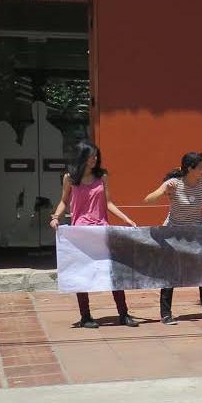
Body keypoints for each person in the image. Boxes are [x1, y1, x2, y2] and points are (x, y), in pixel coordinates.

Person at [50, 141, 139, 329]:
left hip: (101, 230)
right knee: (80, 274)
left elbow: (109, 203)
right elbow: (64, 201)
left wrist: (126, 219)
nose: (95, 159)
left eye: (96, 156)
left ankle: (123, 314)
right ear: (82, 156)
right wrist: (56, 217)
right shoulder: (70, 178)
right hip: (80, 233)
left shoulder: (102, 176)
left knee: (113, 272)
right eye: (91, 156)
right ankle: (85, 316)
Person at [144, 151, 202, 324]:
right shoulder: (174, 183)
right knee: (170, 273)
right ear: (189, 168)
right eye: (201, 167)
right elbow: (148, 199)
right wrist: (162, 191)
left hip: (196, 232)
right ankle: (166, 313)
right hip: (173, 232)